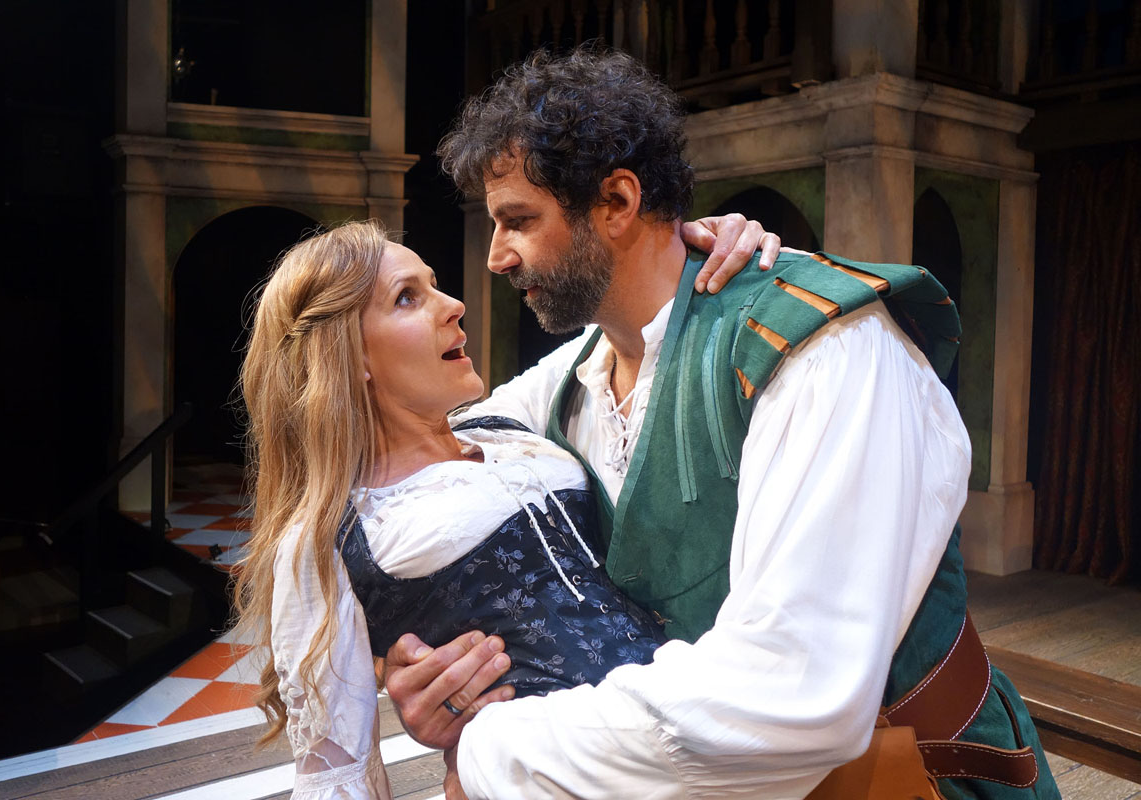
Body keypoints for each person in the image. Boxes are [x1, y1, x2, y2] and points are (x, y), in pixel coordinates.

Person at [382, 47, 1059, 800]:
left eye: (518, 221)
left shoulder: (826, 349)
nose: (497, 259)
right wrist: (428, 673)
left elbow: (795, 688)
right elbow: (426, 454)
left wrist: (493, 749)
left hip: (914, 780)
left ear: (617, 202)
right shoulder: (569, 382)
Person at [232, 216, 770, 798]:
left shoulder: (504, 423)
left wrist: (696, 242)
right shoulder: (325, 536)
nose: (453, 305)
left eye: (434, 285)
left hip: (686, 725)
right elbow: (336, 773)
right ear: (346, 354)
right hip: (550, 774)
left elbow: (638, 323)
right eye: (407, 297)